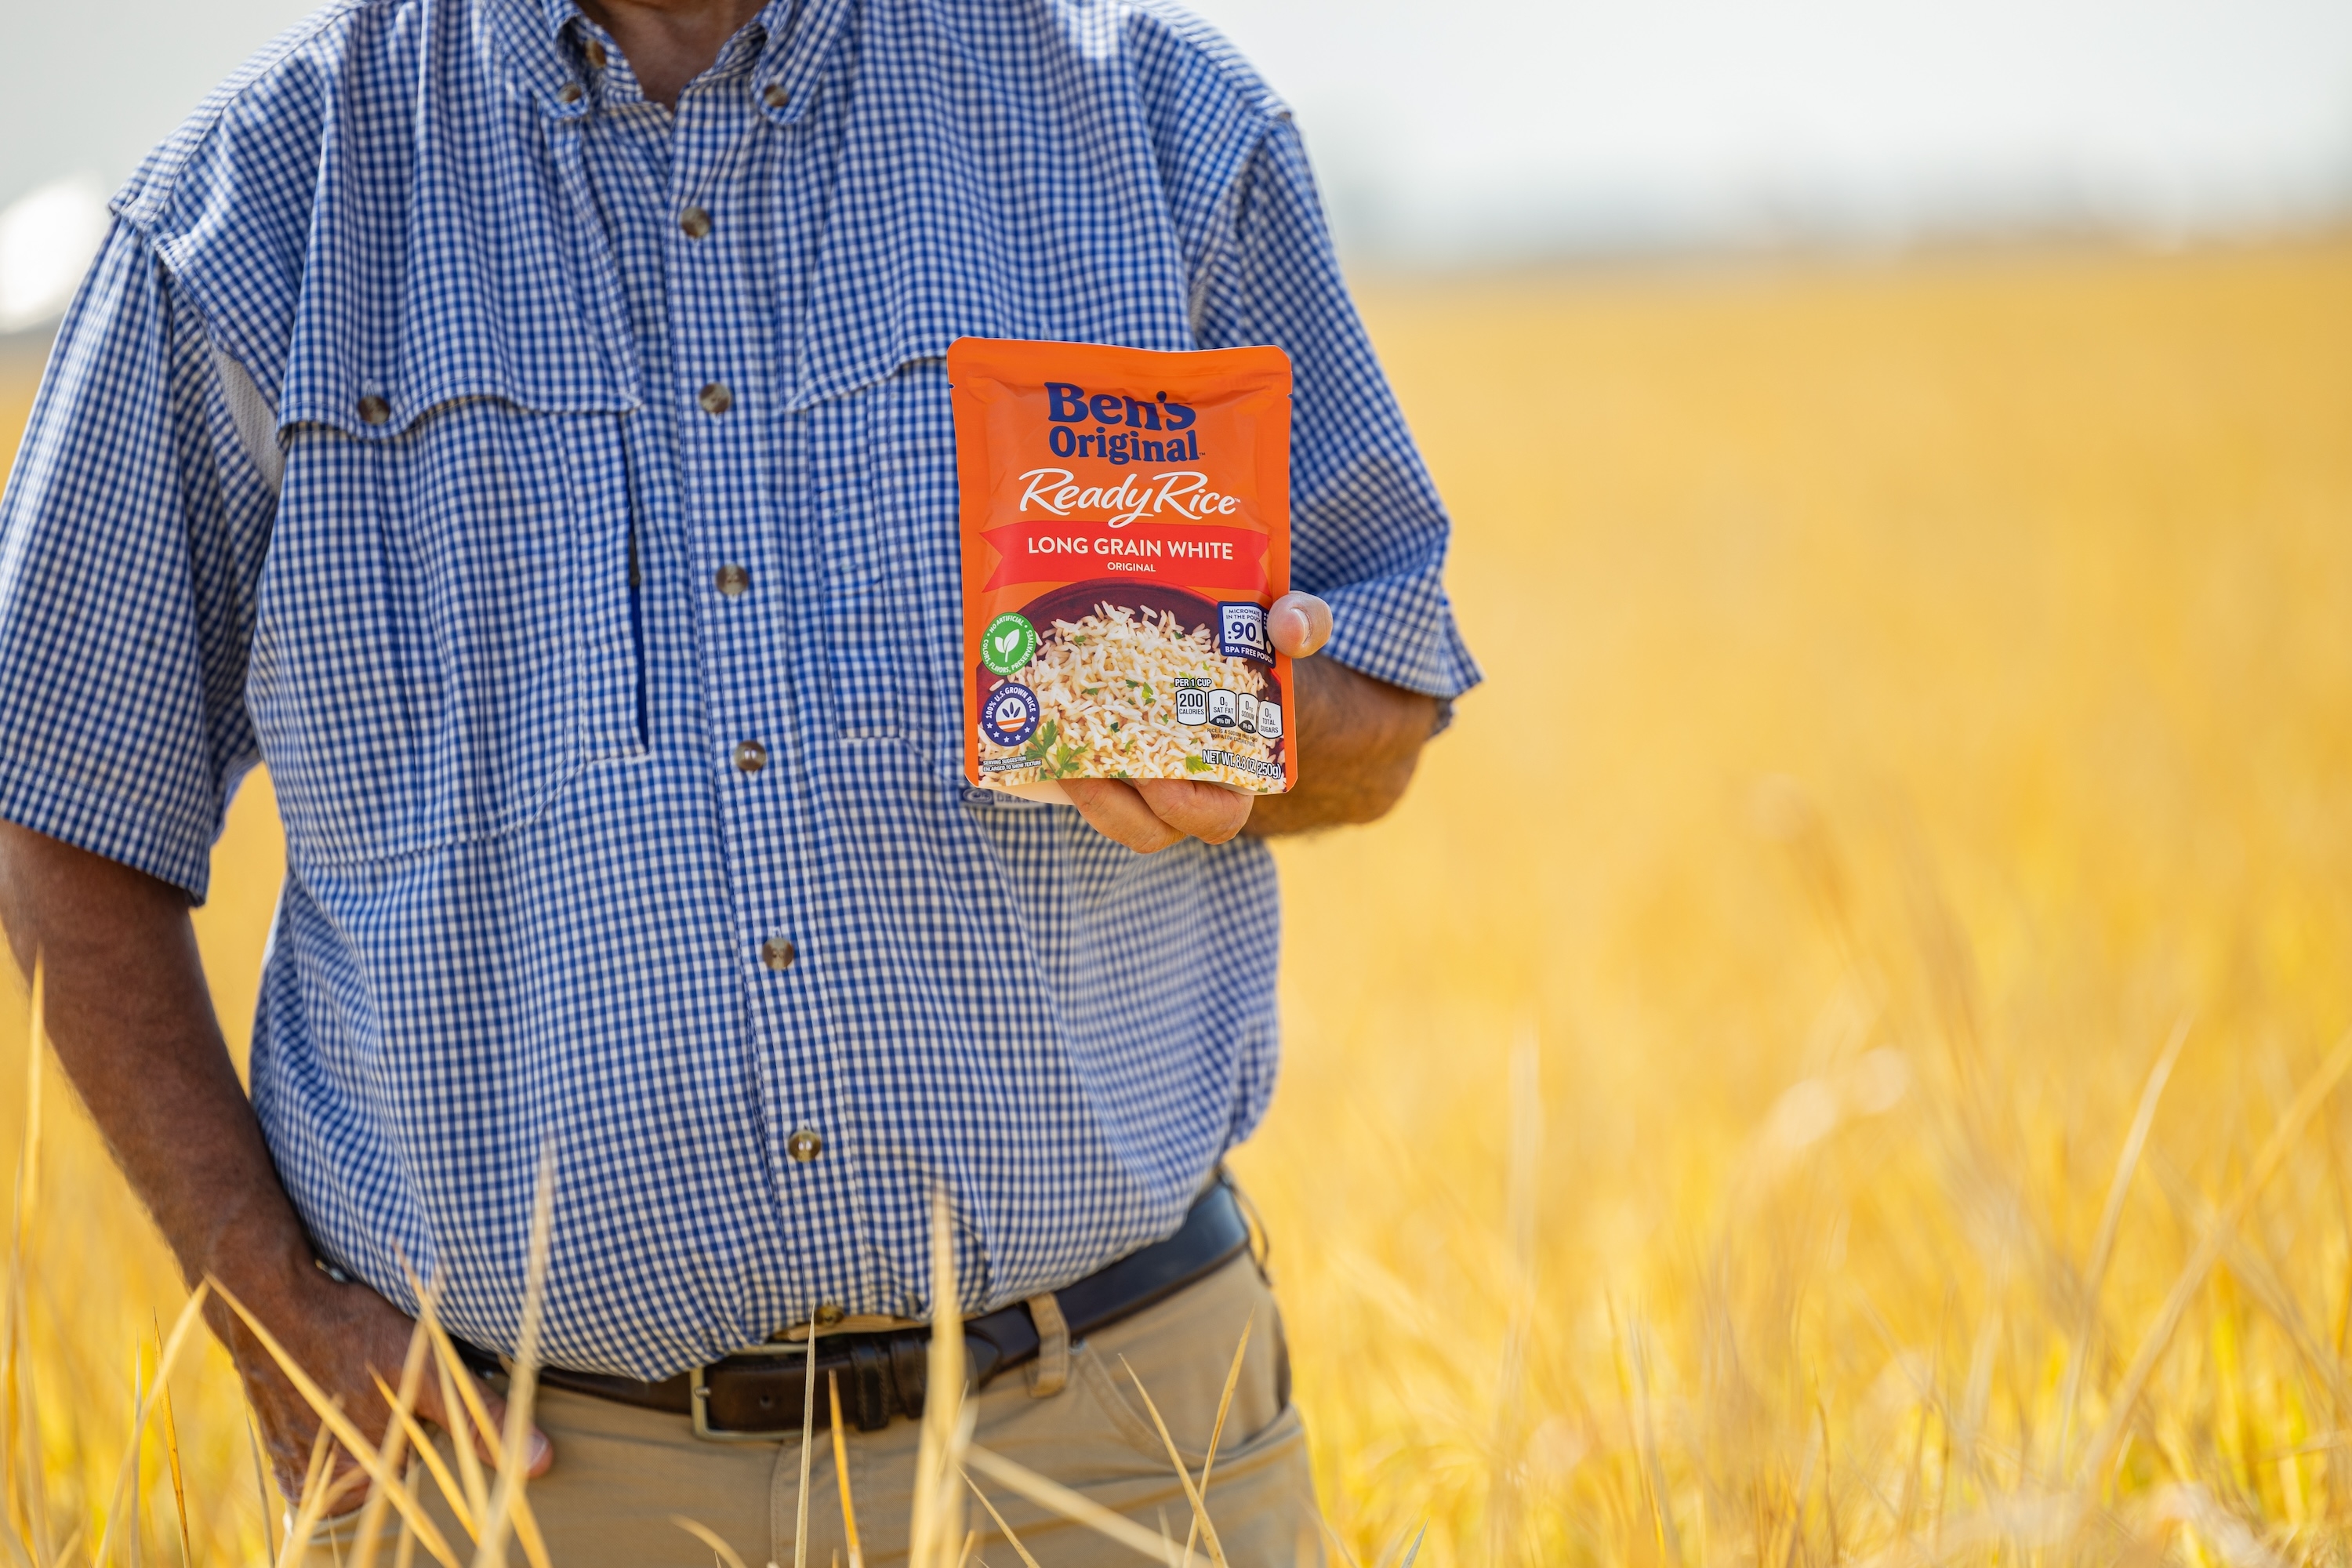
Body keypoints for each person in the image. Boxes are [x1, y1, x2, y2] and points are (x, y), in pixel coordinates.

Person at [0, 0, 1477, 1559]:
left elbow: (1387, 678)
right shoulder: (254, 211)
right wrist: (265, 1303)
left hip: (1113, 1454)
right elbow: (59, 798)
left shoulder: (1153, 119)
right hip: (527, 1491)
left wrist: (1230, 725)